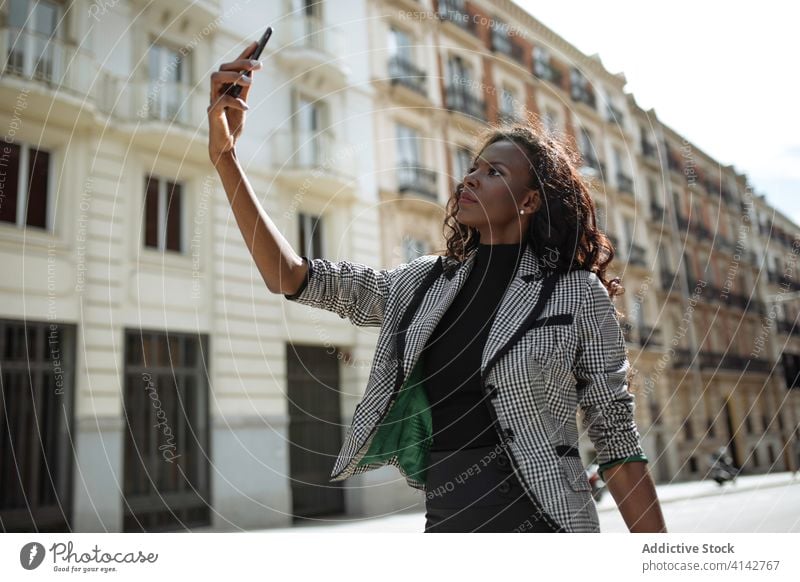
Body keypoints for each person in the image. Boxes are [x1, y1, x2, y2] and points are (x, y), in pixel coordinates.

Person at [208, 42, 667, 533]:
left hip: (547, 522)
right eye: (473, 167)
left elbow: (616, 439)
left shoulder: (575, 293)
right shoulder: (423, 283)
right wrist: (226, 156)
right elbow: (291, 276)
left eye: (494, 172)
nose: (470, 179)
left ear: (530, 200)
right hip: (448, 523)